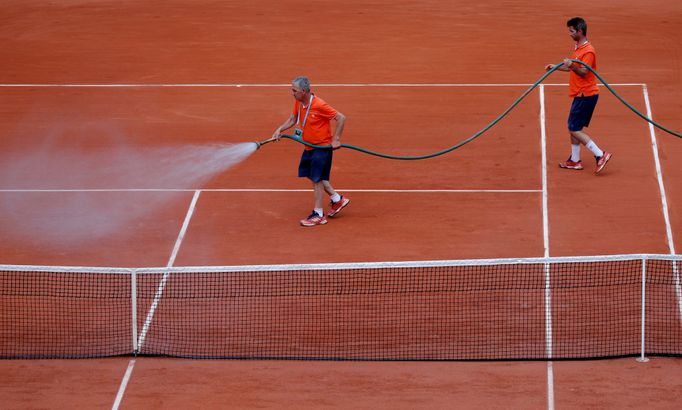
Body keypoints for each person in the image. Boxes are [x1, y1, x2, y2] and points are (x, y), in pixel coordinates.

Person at [272, 76, 350, 226]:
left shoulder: (319, 105)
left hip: (322, 148)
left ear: (304, 91)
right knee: (313, 176)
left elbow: (341, 118)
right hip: (309, 146)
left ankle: (318, 214)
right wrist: (279, 129)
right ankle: (336, 199)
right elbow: (292, 119)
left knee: (316, 179)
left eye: (294, 90)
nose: (291, 93)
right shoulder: (299, 102)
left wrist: (336, 140)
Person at [545, 17, 612, 174]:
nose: (569, 34)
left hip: (586, 94)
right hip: (580, 94)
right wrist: (556, 67)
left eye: (572, 31)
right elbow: (572, 68)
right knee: (574, 126)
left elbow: (583, 71)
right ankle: (575, 161)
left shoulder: (588, 51)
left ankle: (600, 154)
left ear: (580, 31)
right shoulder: (578, 47)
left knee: (573, 128)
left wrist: (572, 65)